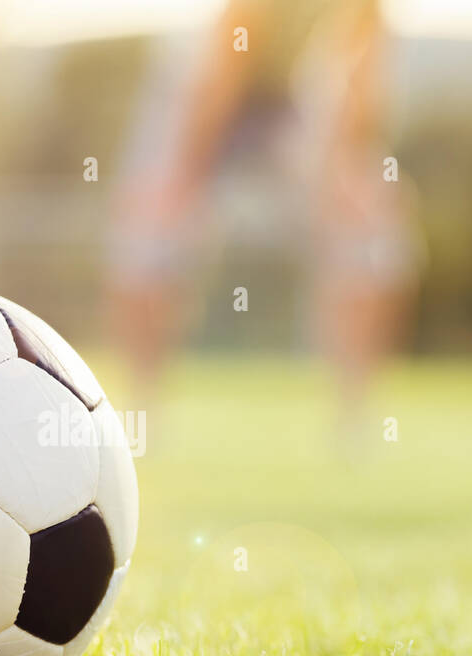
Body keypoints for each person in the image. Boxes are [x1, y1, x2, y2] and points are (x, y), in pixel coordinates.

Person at [106, 0, 420, 430]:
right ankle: (143, 407)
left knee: (373, 229)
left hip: (295, 98)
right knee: (150, 228)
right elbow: (223, 76)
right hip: (202, 91)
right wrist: (182, 180)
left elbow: (363, 70)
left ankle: (354, 412)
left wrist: (349, 163)